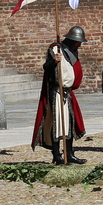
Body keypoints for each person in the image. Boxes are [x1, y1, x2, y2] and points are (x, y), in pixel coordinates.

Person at [33, 26, 87, 164]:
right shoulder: (55, 49)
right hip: (56, 91)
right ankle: (57, 155)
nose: (80, 45)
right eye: (78, 41)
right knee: (57, 124)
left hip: (67, 92)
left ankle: (69, 154)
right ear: (72, 39)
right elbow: (46, 67)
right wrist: (54, 61)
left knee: (69, 123)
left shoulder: (73, 52)